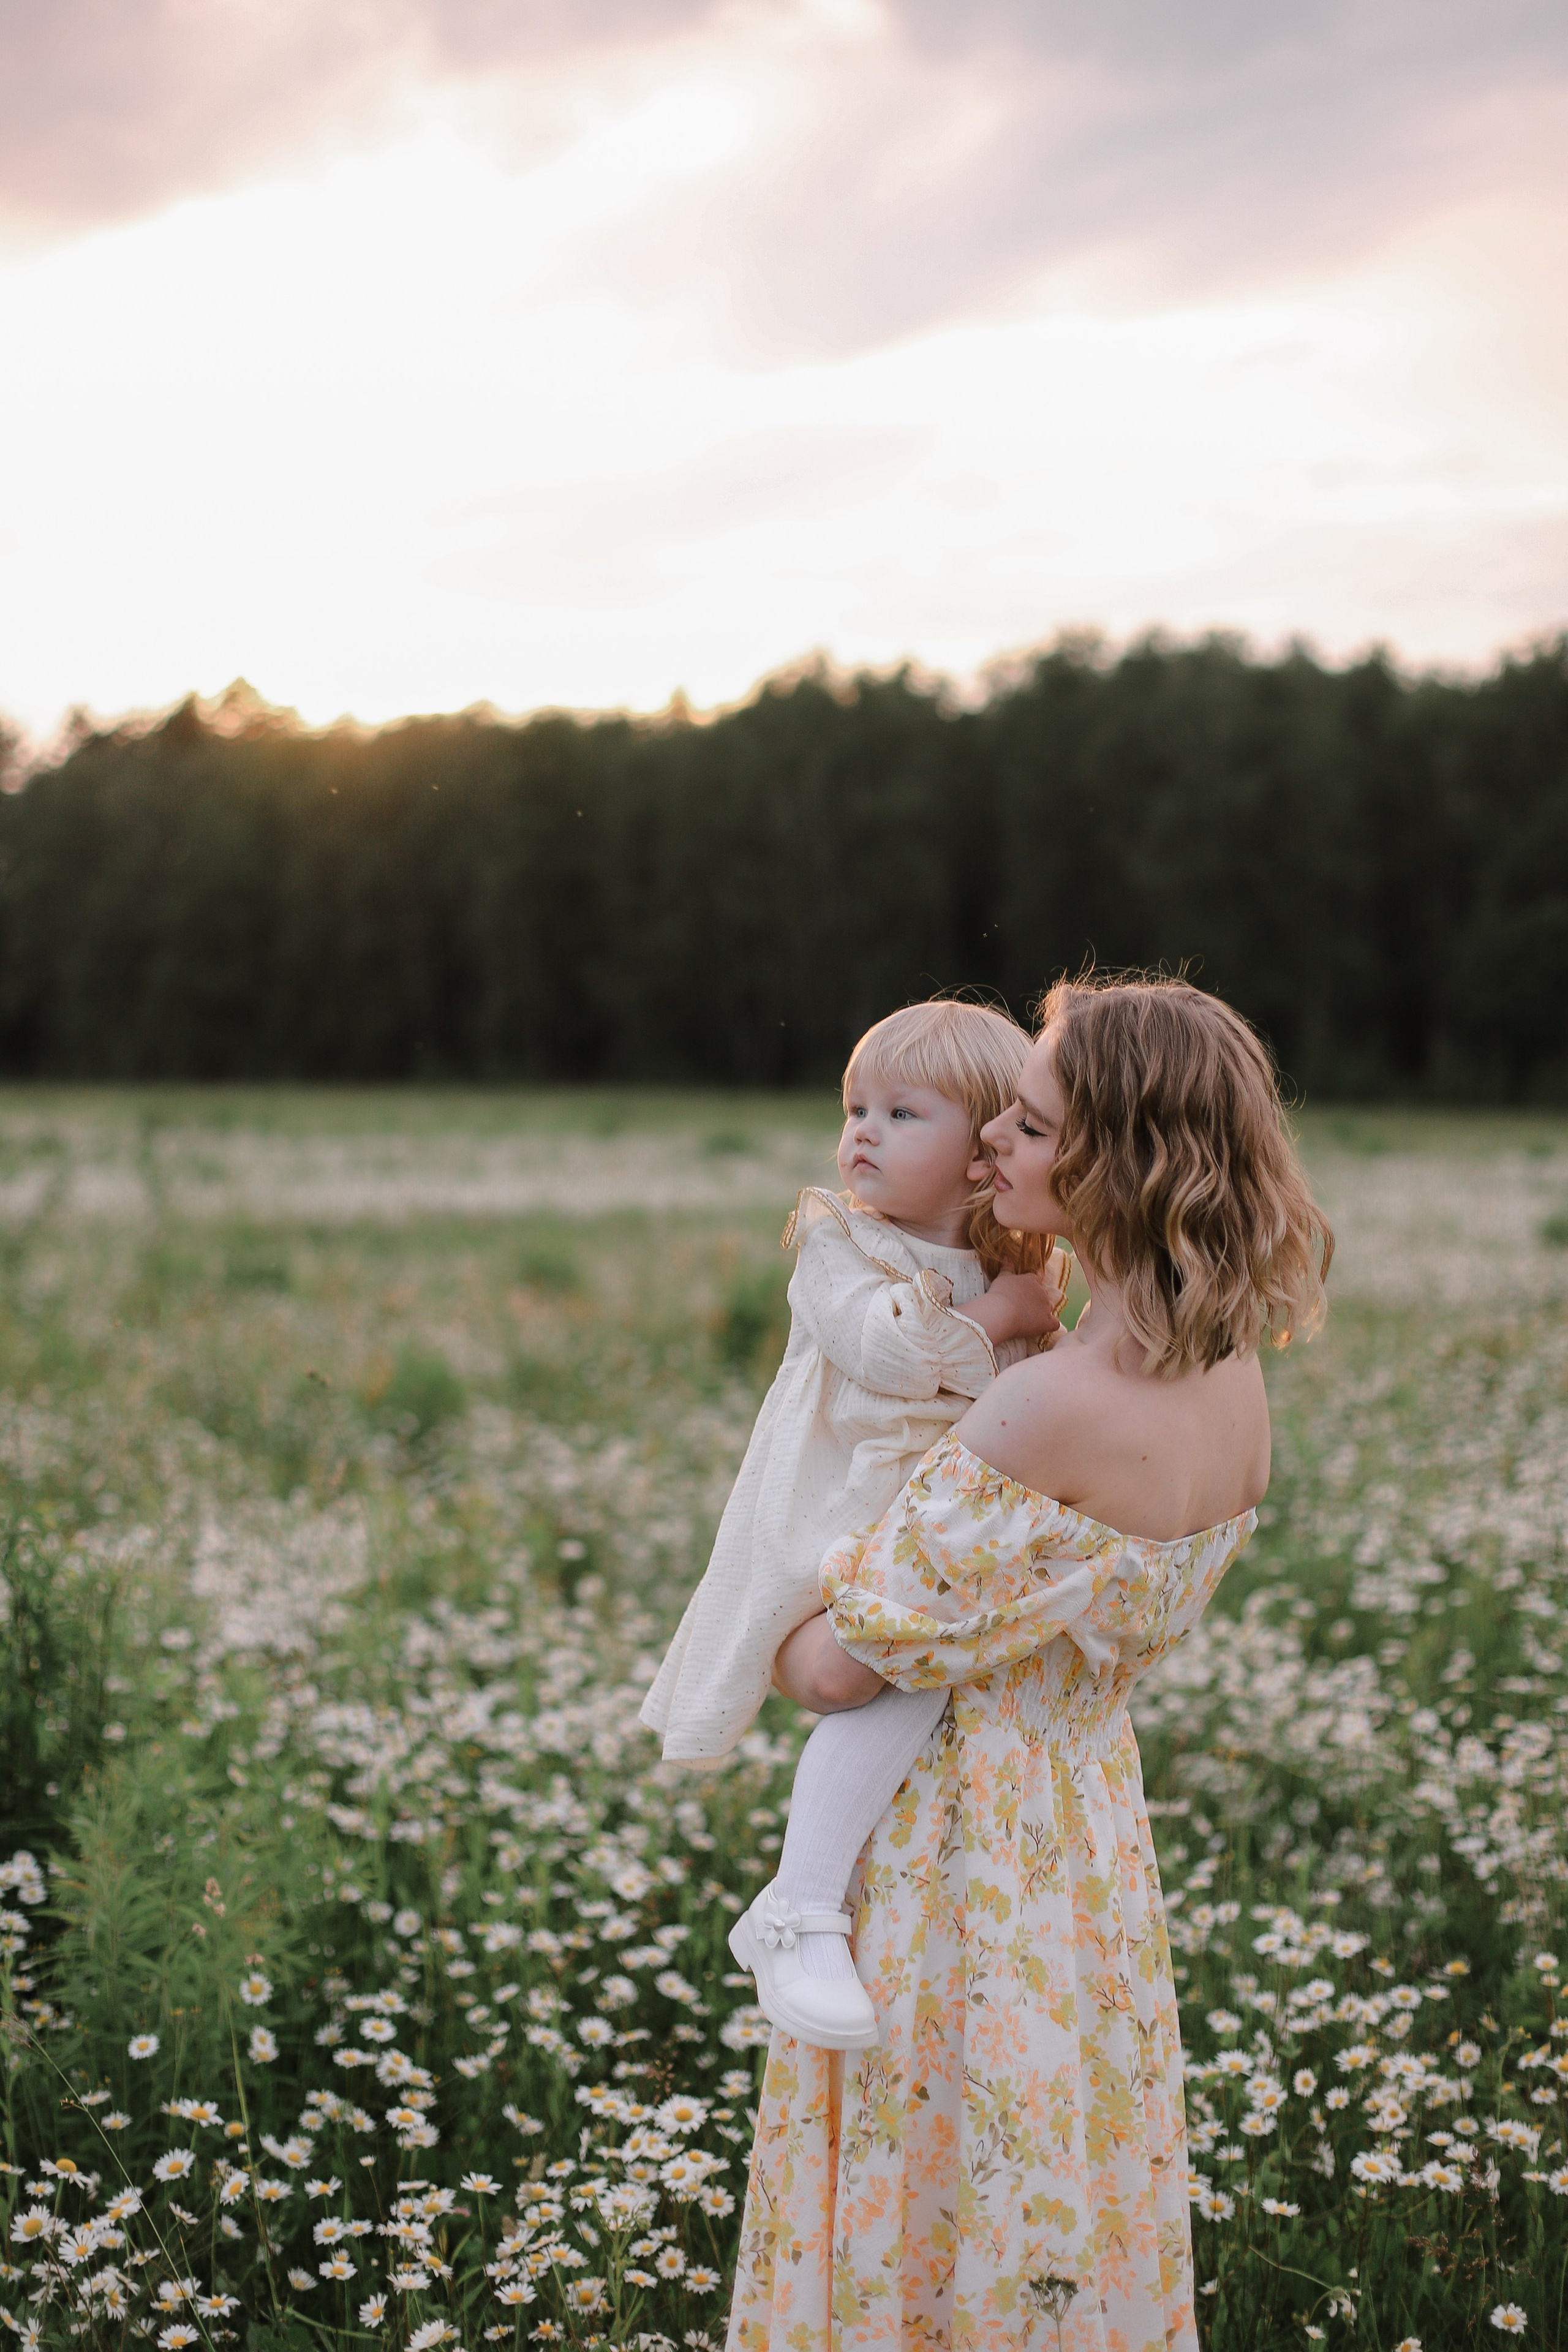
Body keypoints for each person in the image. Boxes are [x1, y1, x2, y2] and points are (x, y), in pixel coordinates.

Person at [728, 974, 1333, 2352]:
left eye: (1032, 1121)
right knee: (1060, 2186)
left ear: (1120, 1159)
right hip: (1085, 1848)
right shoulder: (1233, 1386)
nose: (993, 1138)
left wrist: (792, 1561)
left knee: (930, 2208)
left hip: (951, 1859)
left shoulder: (1045, 1405)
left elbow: (829, 1673)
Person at [641, 1000, 1071, 2045]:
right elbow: (888, 1358)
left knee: (926, 1681)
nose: (861, 1133)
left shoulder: (1014, 1256)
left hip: (939, 1529)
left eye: (901, 1112)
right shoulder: (840, 1246)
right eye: (855, 1107)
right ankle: (801, 1902)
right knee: (891, 1665)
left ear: (982, 1158)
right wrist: (1008, 1319)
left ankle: (844, 1904)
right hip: (837, 1520)